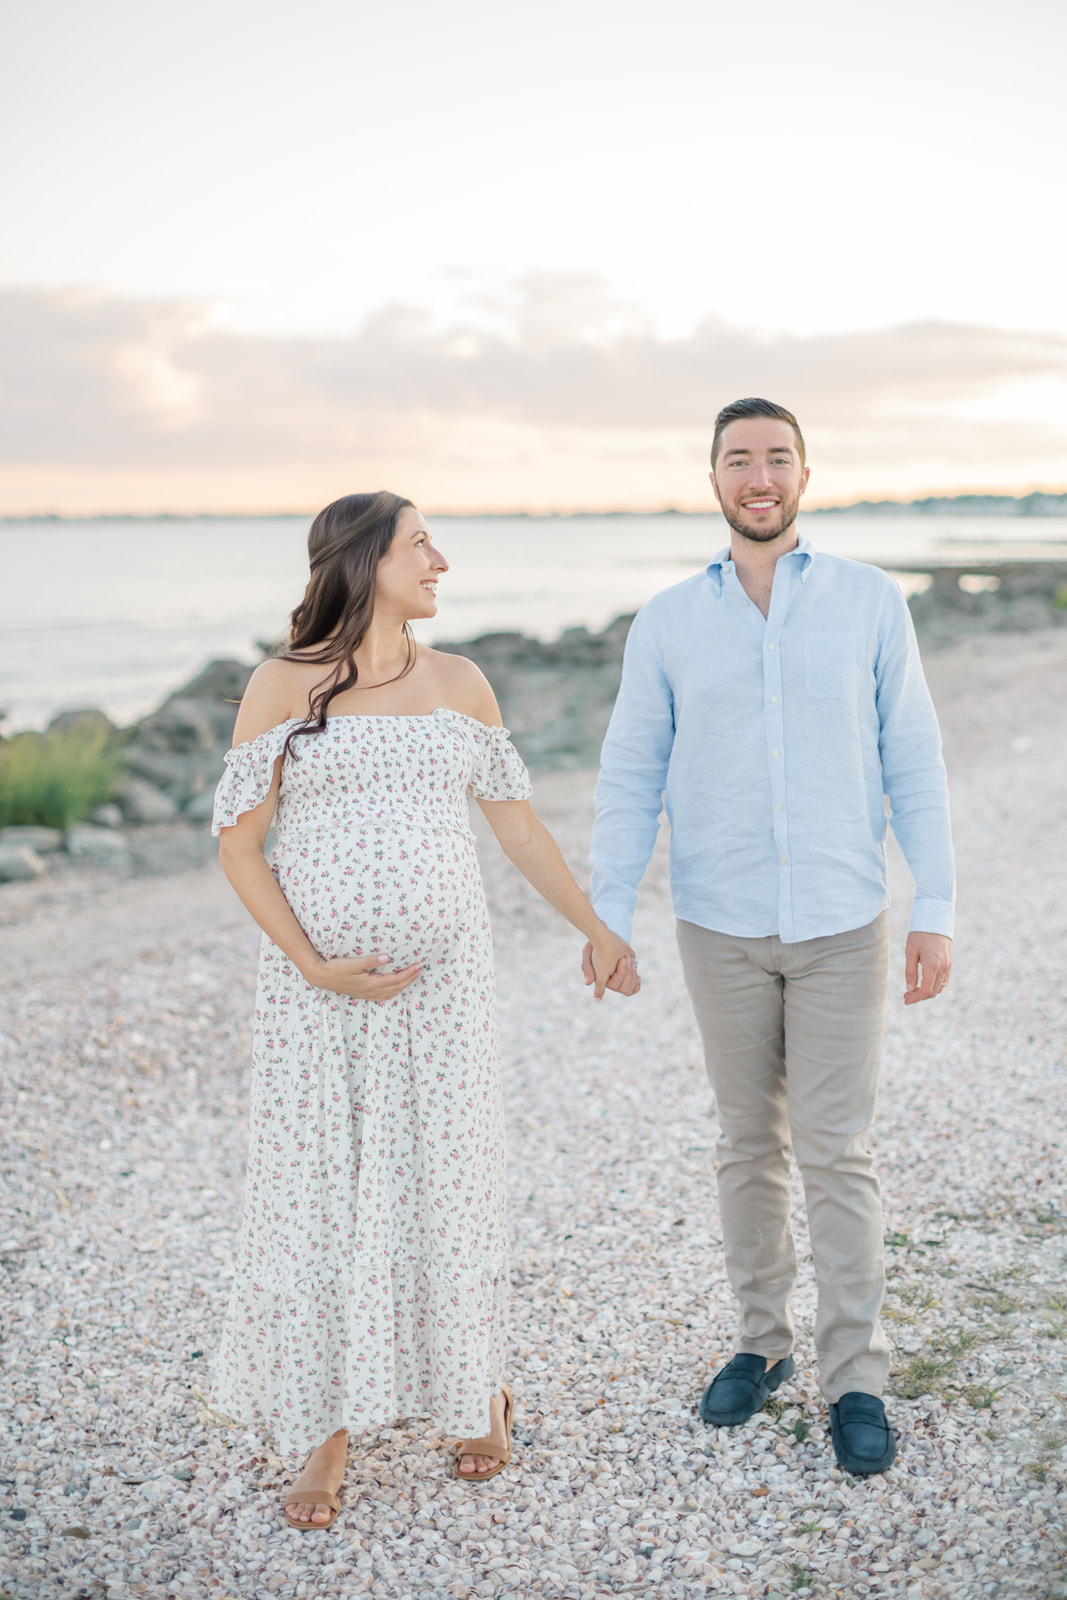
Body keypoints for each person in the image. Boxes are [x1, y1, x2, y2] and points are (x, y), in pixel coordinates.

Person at [212, 491, 639, 1527]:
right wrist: (311, 964)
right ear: (363, 561)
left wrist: (596, 927)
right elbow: (238, 843)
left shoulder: (461, 682)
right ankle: (323, 1431)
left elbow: (518, 829)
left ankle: (476, 1392)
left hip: (446, 996)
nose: (440, 561)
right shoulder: (282, 683)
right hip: (315, 1001)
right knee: (322, 1193)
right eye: (420, 544)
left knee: (449, 1183)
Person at [586, 398, 954, 1476]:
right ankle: (762, 1342)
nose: (758, 476)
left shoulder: (870, 601)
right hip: (719, 922)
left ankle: (855, 1374)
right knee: (746, 1144)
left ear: (803, 473)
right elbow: (629, 772)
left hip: (844, 919)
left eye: (776, 457)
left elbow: (913, 758)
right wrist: (608, 914)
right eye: (738, 459)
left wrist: (933, 907)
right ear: (712, 478)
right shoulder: (664, 621)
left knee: (837, 1151)